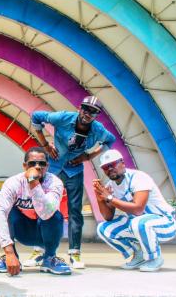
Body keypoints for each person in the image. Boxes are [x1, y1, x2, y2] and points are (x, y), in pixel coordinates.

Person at [28, 96, 115, 269]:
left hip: (74, 171)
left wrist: (89, 156)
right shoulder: (63, 117)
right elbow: (36, 116)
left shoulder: (97, 129)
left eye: (93, 112)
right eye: (85, 109)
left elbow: (110, 140)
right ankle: (39, 250)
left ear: (97, 115)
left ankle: (74, 253)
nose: (87, 114)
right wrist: (45, 145)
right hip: (53, 167)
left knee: (75, 211)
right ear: (79, 108)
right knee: (43, 207)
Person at [0, 147, 71, 276]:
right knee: (2, 207)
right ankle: (12, 259)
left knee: (55, 214)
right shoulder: (13, 183)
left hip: (46, 232)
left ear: (47, 166)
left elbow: (46, 213)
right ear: (24, 166)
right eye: (32, 164)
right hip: (23, 231)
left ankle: (49, 258)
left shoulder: (55, 183)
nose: (38, 167)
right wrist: (9, 252)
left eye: (42, 164)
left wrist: (33, 183)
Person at [95, 149, 176, 272]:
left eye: (113, 164)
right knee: (103, 228)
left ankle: (154, 257)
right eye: (106, 167)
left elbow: (138, 209)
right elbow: (108, 217)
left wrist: (110, 198)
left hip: (165, 223)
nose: (110, 168)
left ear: (122, 162)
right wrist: (100, 198)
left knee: (138, 222)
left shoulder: (138, 177)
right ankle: (139, 254)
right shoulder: (109, 186)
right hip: (138, 225)